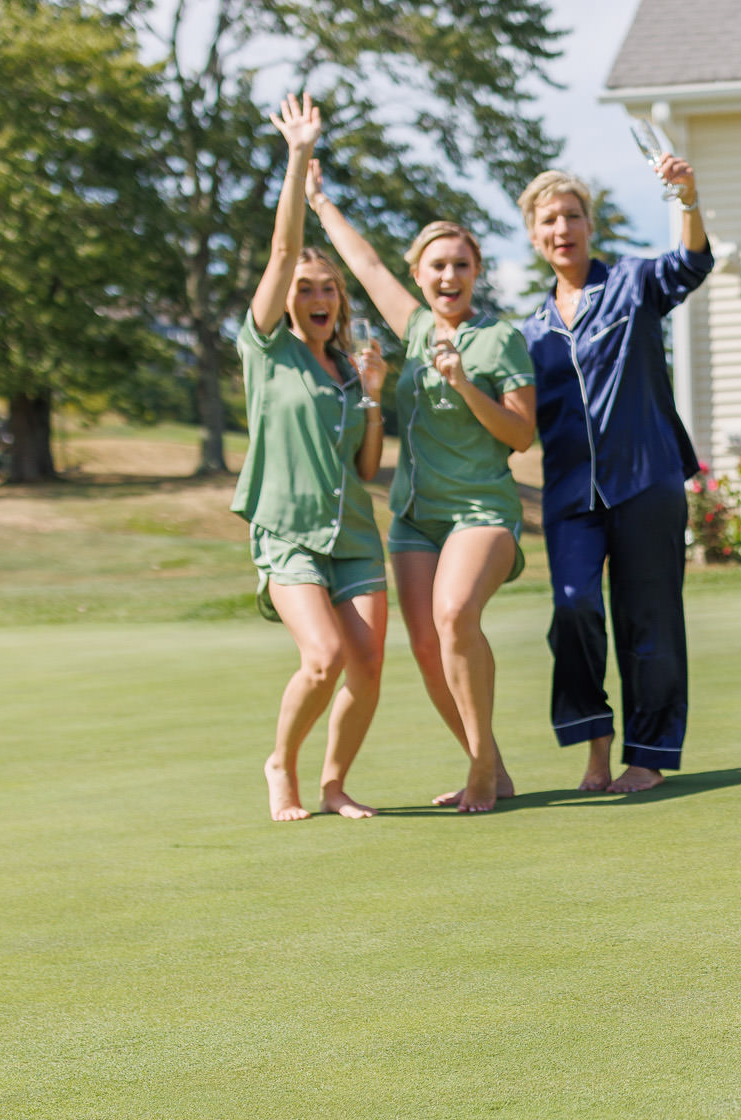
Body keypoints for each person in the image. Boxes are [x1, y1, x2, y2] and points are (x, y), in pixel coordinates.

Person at [306, 162, 538, 811]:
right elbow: (365, 266)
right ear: (420, 274)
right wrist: (320, 202)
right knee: (427, 644)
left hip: (482, 511)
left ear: (476, 272)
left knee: (455, 613)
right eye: (437, 265)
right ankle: (487, 762)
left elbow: (522, 436)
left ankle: (483, 771)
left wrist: (465, 382)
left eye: (461, 265)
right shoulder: (412, 329)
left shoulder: (500, 339)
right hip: (414, 518)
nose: (449, 276)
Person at [516, 164, 712, 794]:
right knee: (573, 609)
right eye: (549, 219)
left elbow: (690, 262)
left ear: (589, 224)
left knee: (648, 618)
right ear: (534, 236)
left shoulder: (632, 282)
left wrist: (686, 198)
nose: (562, 228)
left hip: (647, 478)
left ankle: (647, 756)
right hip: (571, 497)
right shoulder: (529, 333)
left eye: (572, 216)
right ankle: (594, 749)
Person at [234, 94, 389, 822]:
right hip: (289, 530)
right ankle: (281, 765)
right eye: (307, 288)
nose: (319, 294)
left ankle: (333, 784)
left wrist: (374, 398)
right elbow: (283, 249)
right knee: (324, 657)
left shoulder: (347, 371)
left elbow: (365, 470)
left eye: (329, 288)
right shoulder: (266, 349)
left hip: (355, 533)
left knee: (367, 665)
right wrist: (299, 158)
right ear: (287, 300)